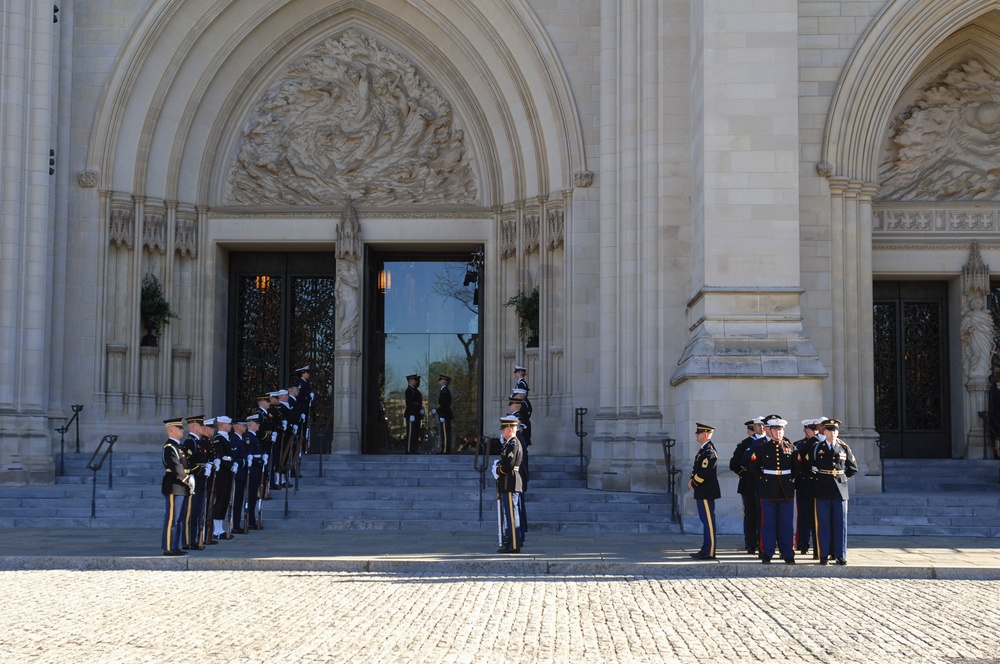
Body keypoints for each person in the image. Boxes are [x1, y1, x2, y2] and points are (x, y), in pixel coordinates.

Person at [748, 415, 801, 564]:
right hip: (768, 489)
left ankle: (788, 553)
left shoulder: (791, 448)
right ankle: (767, 552)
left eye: (780, 430)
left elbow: (797, 468)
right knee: (768, 523)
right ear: (769, 430)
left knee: (786, 524)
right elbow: (753, 468)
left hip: (786, 490)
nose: (778, 432)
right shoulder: (761, 448)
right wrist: (763, 480)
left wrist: (790, 480)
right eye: (775, 429)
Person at [805, 418, 858, 565]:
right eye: (829, 430)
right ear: (825, 431)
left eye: (835, 430)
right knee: (823, 523)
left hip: (839, 491)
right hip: (822, 489)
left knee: (840, 523)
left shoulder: (843, 447)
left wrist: (842, 478)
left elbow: (853, 467)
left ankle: (840, 554)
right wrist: (817, 478)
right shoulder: (817, 447)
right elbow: (808, 467)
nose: (832, 433)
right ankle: (824, 555)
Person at [730, 417, 764, 554]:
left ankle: (764, 541)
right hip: (749, 484)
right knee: (750, 515)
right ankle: (750, 543)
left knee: (765, 514)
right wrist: (744, 474)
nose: (761, 428)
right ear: (754, 428)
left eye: (763, 425)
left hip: (765, 483)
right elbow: (734, 464)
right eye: (757, 425)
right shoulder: (746, 443)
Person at [161, 417, 193, 557]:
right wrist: (187, 479)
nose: (182, 430)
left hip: (183, 486)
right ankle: (169, 547)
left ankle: (175, 546)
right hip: (175, 485)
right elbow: (175, 466)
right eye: (179, 428)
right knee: (172, 518)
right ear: (171, 430)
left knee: (179, 518)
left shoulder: (180, 447)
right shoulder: (169, 447)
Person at [688, 422, 720, 560]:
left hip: (706, 491)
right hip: (702, 490)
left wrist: (693, 482)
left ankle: (710, 551)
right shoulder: (703, 450)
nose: (696, 434)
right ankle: (705, 548)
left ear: (706, 434)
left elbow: (705, 471)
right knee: (705, 520)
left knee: (708, 522)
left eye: (698, 432)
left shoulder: (709, 451)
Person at [793, 417, 823, 557]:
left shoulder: (821, 443)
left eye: (816, 429)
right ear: (806, 430)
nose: (815, 432)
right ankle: (802, 543)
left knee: (817, 516)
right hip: (804, 484)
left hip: (818, 484)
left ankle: (819, 544)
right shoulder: (799, 444)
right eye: (812, 429)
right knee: (803, 516)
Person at [496, 415, 525, 553]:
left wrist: (497, 469)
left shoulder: (513, 444)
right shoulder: (510, 444)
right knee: (510, 514)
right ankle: (511, 543)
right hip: (509, 482)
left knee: (512, 515)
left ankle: (514, 545)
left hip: (510, 482)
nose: (501, 432)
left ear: (510, 430)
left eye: (503, 429)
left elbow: (507, 465)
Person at [432, 374, 453, 454]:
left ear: (444, 382)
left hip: (444, 415)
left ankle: (445, 450)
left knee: (445, 433)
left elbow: (444, 404)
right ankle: (444, 449)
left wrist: (441, 414)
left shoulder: (444, 391)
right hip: (444, 414)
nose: (439, 381)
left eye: (440, 379)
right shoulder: (443, 391)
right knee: (444, 433)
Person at [404, 373, 424, 453]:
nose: (416, 381)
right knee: (411, 433)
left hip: (416, 414)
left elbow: (417, 402)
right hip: (411, 414)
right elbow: (409, 403)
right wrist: (411, 413)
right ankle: (409, 449)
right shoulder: (409, 390)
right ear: (410, 380)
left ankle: (413, 449)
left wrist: (420, 409)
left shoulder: (415, 391)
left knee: (415, 432)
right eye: (415, 380)